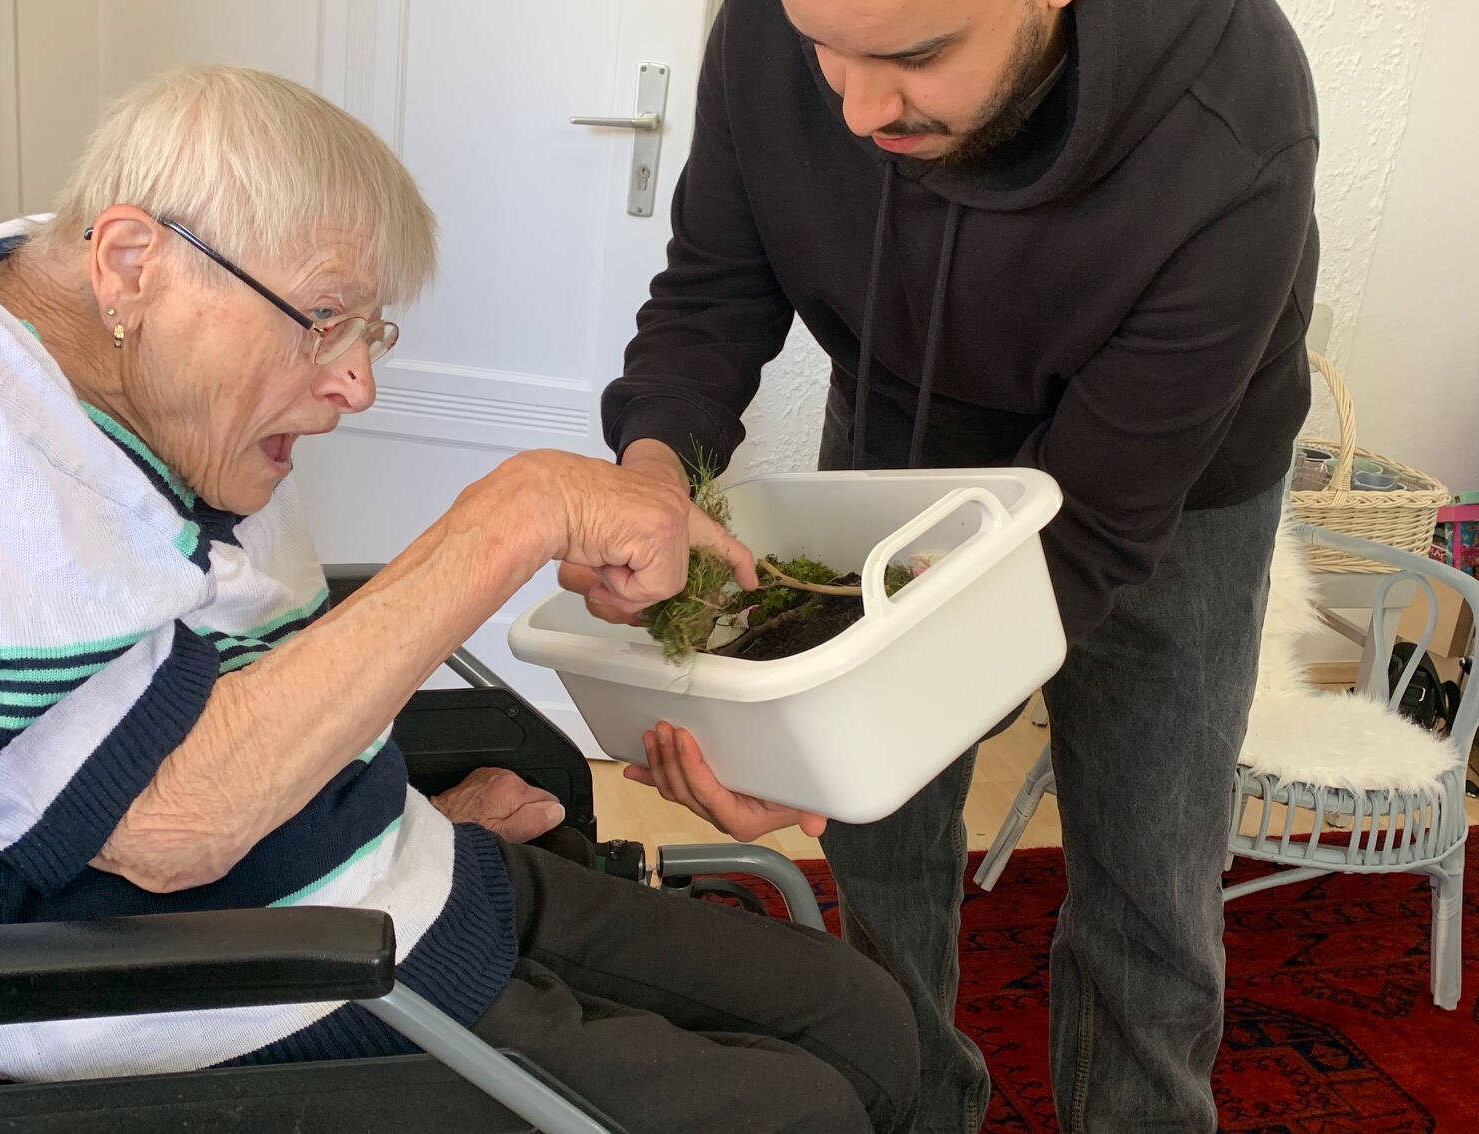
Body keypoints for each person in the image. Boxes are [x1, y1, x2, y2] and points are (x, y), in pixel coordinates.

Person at [0, 65, 919, 1134]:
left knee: (867, 1021)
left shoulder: (105, 322)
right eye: (321, 319)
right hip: (237, 991)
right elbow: (164, 825)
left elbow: (231, 658)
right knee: (802, 1114)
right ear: (133, 262)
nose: (355, 384)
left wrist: (408, 803)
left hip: (385, 873)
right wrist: (516, 514)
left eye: (366, 332)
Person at [564, 0, 1319, 1130]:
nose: (858, 109)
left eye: (915, 58)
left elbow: (1086, 537)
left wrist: (856, 719)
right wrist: (653, 478)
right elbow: (713, 293)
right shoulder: (771, 31)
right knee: (880, 852)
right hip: (899, 446)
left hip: (1167, 490)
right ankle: (915, 1107)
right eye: (828, 50)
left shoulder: (1232, 116)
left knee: (1151, 887)